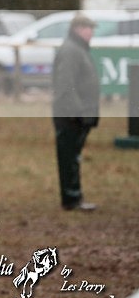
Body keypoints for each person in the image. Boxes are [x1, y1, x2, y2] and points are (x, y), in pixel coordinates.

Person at [52, 13, 100, 211]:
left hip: (76, 114)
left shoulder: (78, 49)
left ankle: (75, 195)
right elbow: (65, 85)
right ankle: (71, 198)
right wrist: (76, 113)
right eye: (89, 28)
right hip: (70, 116)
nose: (91, 32)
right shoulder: (71, 51)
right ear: (78, 29)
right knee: (69, 158)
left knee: (73, 157)